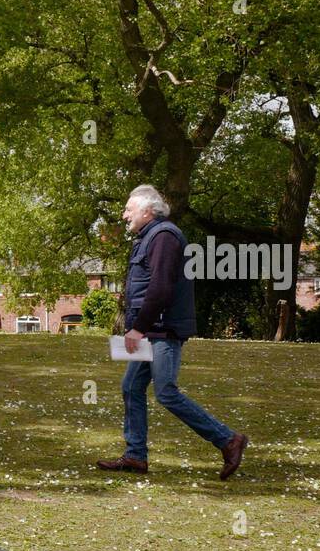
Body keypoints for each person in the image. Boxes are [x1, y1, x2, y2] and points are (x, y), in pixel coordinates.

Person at [98, 184, 248, 479]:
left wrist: (138, 329)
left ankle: (229, 439)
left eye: (129, 209)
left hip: (162, 330)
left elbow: (161, 288)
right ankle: (135, 456)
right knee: (131, 388)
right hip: (151, 330)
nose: (124, 214)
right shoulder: (148, 238)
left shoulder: (164, 236)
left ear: (147, 210)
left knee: (166, 392)